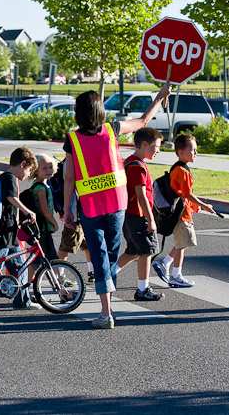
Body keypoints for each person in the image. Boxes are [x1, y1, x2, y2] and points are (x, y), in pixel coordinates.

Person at [63, 83, 171, 330]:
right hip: (116, 204)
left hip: (90, 206)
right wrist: (160, 96)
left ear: (79, 113)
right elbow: (143, 120)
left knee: (100, 256)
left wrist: (68, 208)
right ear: (101, 110)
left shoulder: (72, 140)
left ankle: (105, 312)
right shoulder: (113, 130)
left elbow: (69, 178)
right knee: (111, 255)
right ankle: (106, 309)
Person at [152, 133, 216, 288]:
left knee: (184, 242)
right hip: (181, 215)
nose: (196, 153)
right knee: (182, 244)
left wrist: (194, 205)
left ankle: (165, 263)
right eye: (192, 150)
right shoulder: (183, 171)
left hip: (182, 212)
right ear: (181, 152)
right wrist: (205, 205)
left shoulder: (178, 168)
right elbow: (187, 194)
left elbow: (182, 192)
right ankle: (176, 275)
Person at [0, 146, 41, 310]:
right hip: (4, 233)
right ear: (23, 164)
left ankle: (23, 301)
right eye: (29, 170)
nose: (29, 174)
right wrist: (27, 211)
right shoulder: (10, 178)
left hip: (11, 233)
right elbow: (10, 197)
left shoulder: (7, 177)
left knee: (20, 268)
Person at [116, 127, 165, 301]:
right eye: (157, 146)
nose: (158, 150)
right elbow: (141, 194)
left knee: (133, 251)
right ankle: (143, 290)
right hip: (138, 215)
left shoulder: (130, 162)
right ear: (144, 144)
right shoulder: (137, 166)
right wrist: (150, 219)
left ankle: (107, 276)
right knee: (146, 251)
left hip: (129, 215)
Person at [25, 154, 59, 287]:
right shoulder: (40, 188)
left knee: (45, 259)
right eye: (44, 168)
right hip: (42, 229)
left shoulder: (42, 185)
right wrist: (54, 223)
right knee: (42, 260)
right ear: (36, 170)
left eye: (50, 167)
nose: (49, 170)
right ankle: (27, 287)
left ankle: (59, 287)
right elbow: (44, 209)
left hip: (41, 229)